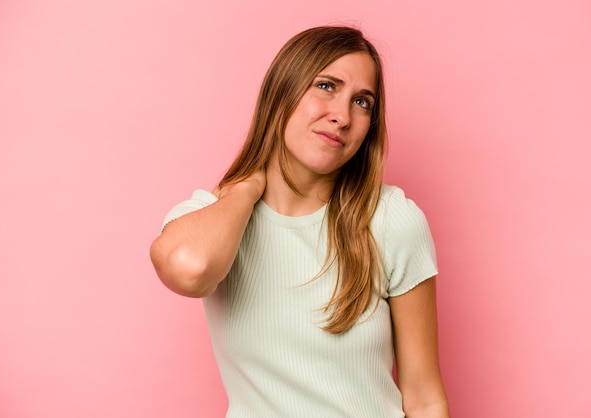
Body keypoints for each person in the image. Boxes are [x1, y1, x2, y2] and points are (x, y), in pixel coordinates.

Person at [150, 25, 450, 417]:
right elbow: (190, 269)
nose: (342, 116)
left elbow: (424, 397)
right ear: (282, 93)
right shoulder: (213, 218)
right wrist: (249, 186)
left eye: (362, 102)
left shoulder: (391, 219)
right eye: (326, 86)